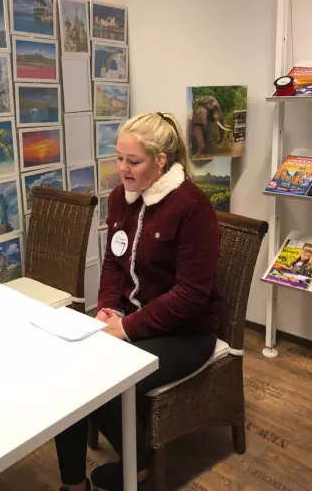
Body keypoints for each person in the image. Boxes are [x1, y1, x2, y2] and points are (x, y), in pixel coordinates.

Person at [55, 112, 221, 491]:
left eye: (133, 161)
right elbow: (113, 263)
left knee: (103, 378)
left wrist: (127, 328)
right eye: (119, 158)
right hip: (131, 321)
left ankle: (139, 465)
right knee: (68, 368)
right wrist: (107, 308)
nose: (122, 169)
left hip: (186, 334)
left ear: (160, 161)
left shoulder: (192, 206)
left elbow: (191, 295)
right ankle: (73, 483)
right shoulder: (120, 198)